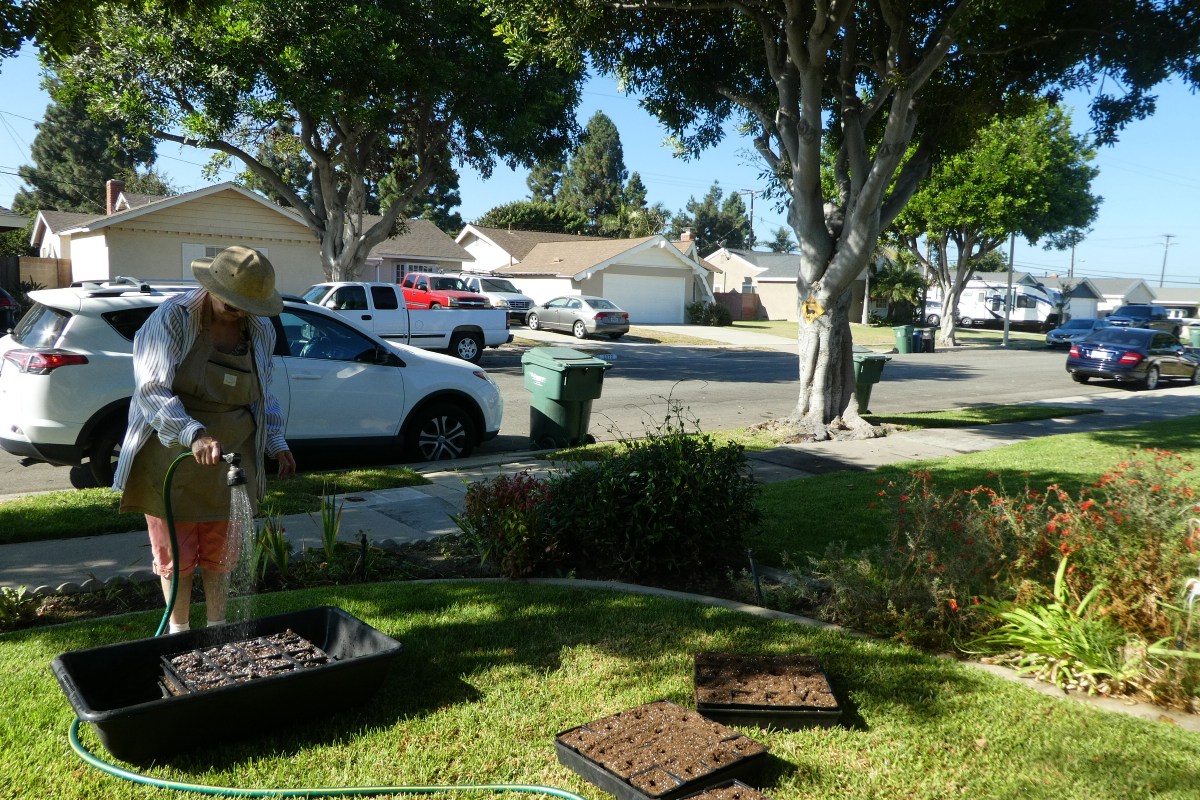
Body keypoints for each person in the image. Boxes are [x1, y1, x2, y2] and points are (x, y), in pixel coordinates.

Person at [113, 245, 297, 633]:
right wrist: (193, 434)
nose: (240, 312)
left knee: (221, 553)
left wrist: (276, 440)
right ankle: (178, 634)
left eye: (248, 306)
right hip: (171, 454)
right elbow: (151, 389)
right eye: (233, 303)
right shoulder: (172, 318)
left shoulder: (260, 328)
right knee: (176, 556)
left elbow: (264, 393)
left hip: (232, 457)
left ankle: (218, 631)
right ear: (212, 287)